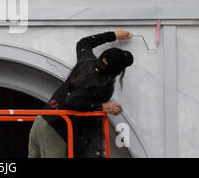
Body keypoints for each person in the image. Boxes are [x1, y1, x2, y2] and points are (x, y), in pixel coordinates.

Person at [28, 30, 133, 158]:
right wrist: (103, 107)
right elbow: (72, 100)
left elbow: (84, 43)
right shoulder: (101, 85)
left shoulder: (86, 61)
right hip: (55, 131)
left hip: (41, 121)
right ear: (116, 72)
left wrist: (113, 35)